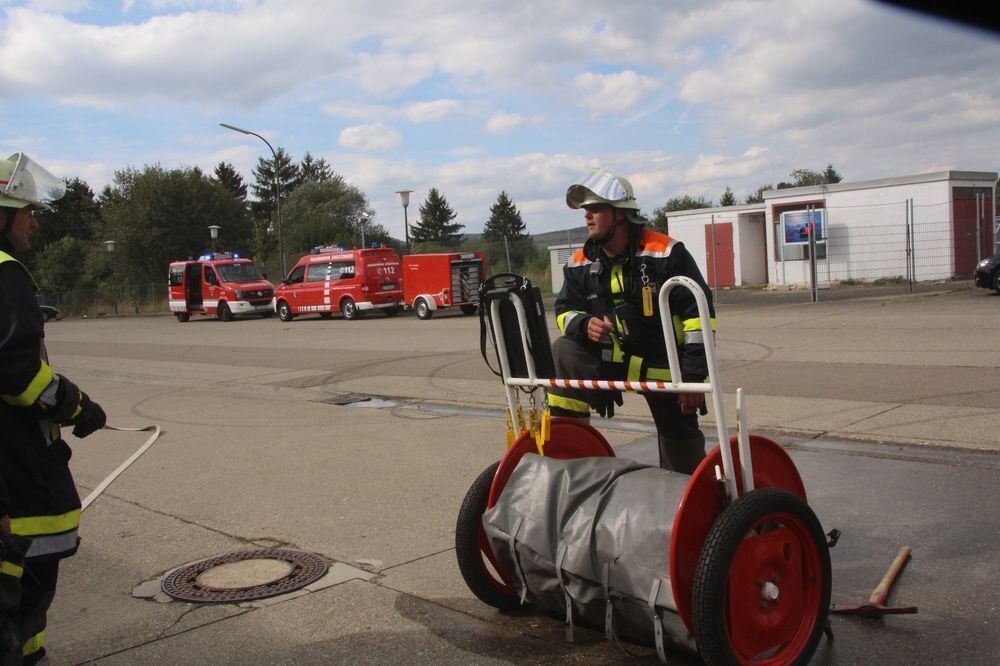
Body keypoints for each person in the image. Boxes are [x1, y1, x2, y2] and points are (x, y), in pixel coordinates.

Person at [0, 153, 106, 665]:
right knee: (21, 598)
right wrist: (78, 406)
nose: (34, 222)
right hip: (14, 472)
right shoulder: (6, 274)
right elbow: (19, 375)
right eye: (27, 211)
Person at [547, 168, 716, 474]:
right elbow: (564, 310)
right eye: (585, 209)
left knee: (682, 453)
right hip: (609, 361)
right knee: (564, 349)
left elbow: (699, 317)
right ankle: (568, 458)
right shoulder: (580, 262)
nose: (587, 215)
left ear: (621, 214)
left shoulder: (667, 254)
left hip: (665, 365)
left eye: (596, 208)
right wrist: (584, 324)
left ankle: (688, 491)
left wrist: (692, 377)